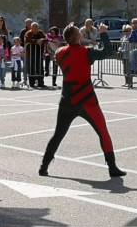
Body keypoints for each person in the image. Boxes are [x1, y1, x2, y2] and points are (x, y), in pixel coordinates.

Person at [39, 22, 125, 178]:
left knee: (58, 134)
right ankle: (112, 167)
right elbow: (107, 52)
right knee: (103, 132)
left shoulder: (60, 52)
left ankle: (43, 166)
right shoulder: (86, 52)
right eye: (79, 32)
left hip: (67, 100)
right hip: (87, 100)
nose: (81, 33)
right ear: (77, 37)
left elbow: (60, 53)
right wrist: (104, 33)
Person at [25, 22, 47, 88]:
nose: (35, 28)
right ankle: (32, 83)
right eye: (33, 27)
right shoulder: (28, 33)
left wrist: (42, 40)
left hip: (39, 53)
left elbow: (46, 39)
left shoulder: (41, 33)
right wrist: (36, 41)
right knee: (31, 67)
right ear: (31, 28)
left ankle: (41, 82)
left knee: (40, 67)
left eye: (36, 27)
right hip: (30, 53)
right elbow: (27, 40)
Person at [119, 22, 137, 88]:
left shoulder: (131, 37)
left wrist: (123, 50)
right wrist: (120, 48)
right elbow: (121, 45)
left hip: (129, 55)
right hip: (124, 55)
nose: (125, 32)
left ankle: (130, 83)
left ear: (130, 31)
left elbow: (132, 47)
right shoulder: (123, 38)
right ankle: (126, 82)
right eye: (124, 31)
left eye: (127, 31)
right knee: (125, 70)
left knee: (129, 70)